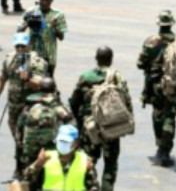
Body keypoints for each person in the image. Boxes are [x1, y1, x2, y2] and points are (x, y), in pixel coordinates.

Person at [69, 46, 131, 191]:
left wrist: (80, 122)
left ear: (96, 59)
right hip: (111, 127)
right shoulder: (118, 77)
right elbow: (126, 101)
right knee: (110, 164)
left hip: (90, 128)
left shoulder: (85, 77)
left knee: (88, 161)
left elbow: (73, 102)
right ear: (111, 59)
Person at [137, 10, 176, 167]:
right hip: (174, 86)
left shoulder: (150, 42)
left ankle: (159, 144)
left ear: (159, 24)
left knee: (158, 114)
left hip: (155, 85)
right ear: (171, 24)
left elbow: (140, 64)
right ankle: (166, 151)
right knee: (170, 117)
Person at [1, 32, 48, 177]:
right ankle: (19, 167)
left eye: (23, 45)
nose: (20, 48)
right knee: (17, 137)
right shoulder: (9, 59)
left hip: (31, 107)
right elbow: (2, 79)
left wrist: (28, 79)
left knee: (28, 138)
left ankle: (29, 167)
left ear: (29, 45)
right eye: (18, 45)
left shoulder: (38, 62)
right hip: (14, 106)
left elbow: (39, 84)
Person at [19, 77, 73, 178]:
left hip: (30, 148)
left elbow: (20, 126)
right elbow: (70, 122)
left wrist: (22, 146)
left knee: (29, 176)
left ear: (40, 89)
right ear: (53, 89)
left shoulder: (30, 104)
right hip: (49, 151)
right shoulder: (56, 105)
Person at [23, 124, 100, 191]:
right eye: (60, 141)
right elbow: (25, 181)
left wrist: (89, 171)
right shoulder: (46, 158)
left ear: (76, 143)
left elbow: (94, 187)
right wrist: (37, 165)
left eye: (66, 142)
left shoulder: (85, 162)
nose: (62, 144)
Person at [19, 0, 68, 78]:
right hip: (32, 53)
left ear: (51, 0)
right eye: (42, 0)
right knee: (28, 80)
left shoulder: (58, 15)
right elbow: (19, 31)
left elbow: (61, 37)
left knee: (48, 81)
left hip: (49, 55)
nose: (44, 3)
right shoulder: (32, 11)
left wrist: (54, 27)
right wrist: (28, 23)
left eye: (47, 0)